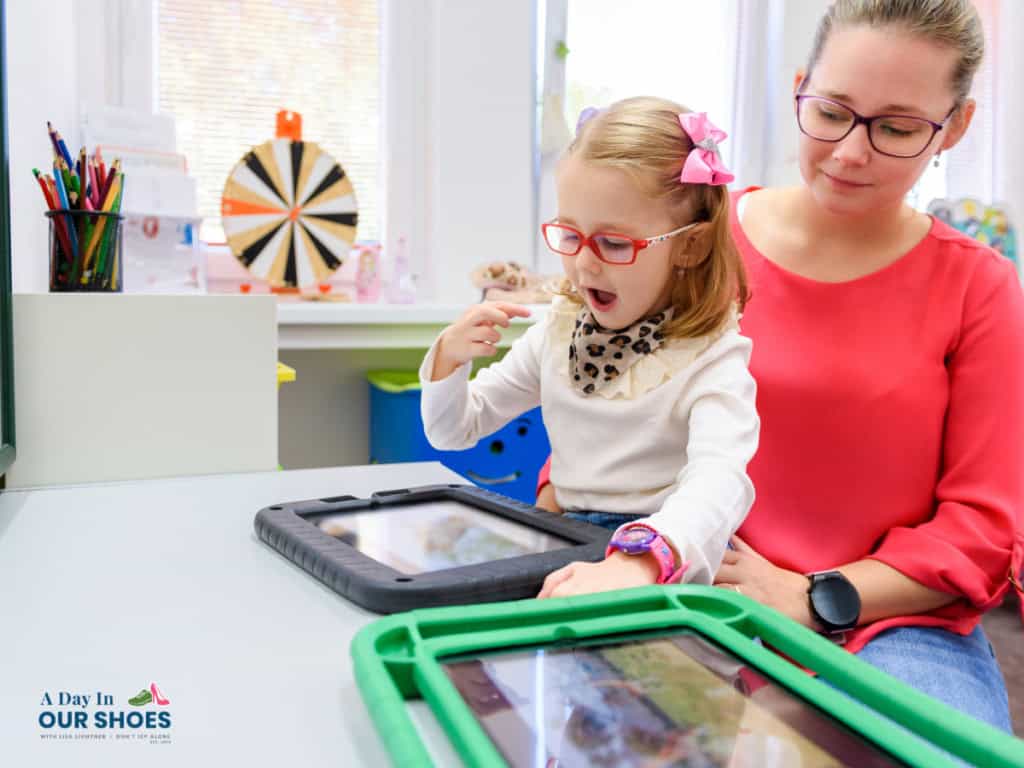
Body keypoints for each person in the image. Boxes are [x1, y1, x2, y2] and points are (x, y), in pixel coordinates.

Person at [536, 0, 1022, 733]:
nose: (850, 152)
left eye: (895, 128)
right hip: (669, 575)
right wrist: (565, 507)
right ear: (800, 89)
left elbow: (981, 527)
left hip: (884, 622)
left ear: (953, 127)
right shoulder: (698, 238)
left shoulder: (978, 287)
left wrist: (814, 594)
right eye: (831, 113)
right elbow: (604, 385)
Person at [419, 97, 759, 594]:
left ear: (691, 245)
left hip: (667, 554)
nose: (583, 264)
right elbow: (454, 430)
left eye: (614, 244)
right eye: (569, 235)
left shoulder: (712, 357)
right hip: (568, 538)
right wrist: (450, 359)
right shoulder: (559, 332)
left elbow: (718, 483)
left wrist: (643, 559)